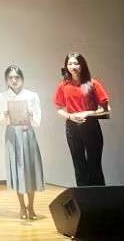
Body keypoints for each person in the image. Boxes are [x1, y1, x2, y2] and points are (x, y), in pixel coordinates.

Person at [54, 53, 111, 187]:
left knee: (94, 165)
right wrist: (70, 116)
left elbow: (107, 109)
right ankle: (83, 197)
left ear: (82, 65)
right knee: (78, 164)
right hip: (72, 127)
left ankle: (99, 197)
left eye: (76, 63)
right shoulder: (63, 86)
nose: (72, 66)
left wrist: (87, 113)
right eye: (69, 63)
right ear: (66, 66)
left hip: (91, 126)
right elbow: (59, 108)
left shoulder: (92, 83)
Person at [0, 65, 45, 220]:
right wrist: (5, 114)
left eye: (17, 77)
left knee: (30, 169)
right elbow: (1, 121)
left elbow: (37, 121)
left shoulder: (32, 95)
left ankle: (31, 206)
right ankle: (22, 207)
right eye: (10, 77)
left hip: (27, 133)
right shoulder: (2, 97)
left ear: (22, 78)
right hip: (12, 135)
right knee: (18, 170)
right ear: (6, 80)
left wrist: (31, 114)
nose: (14, 80)